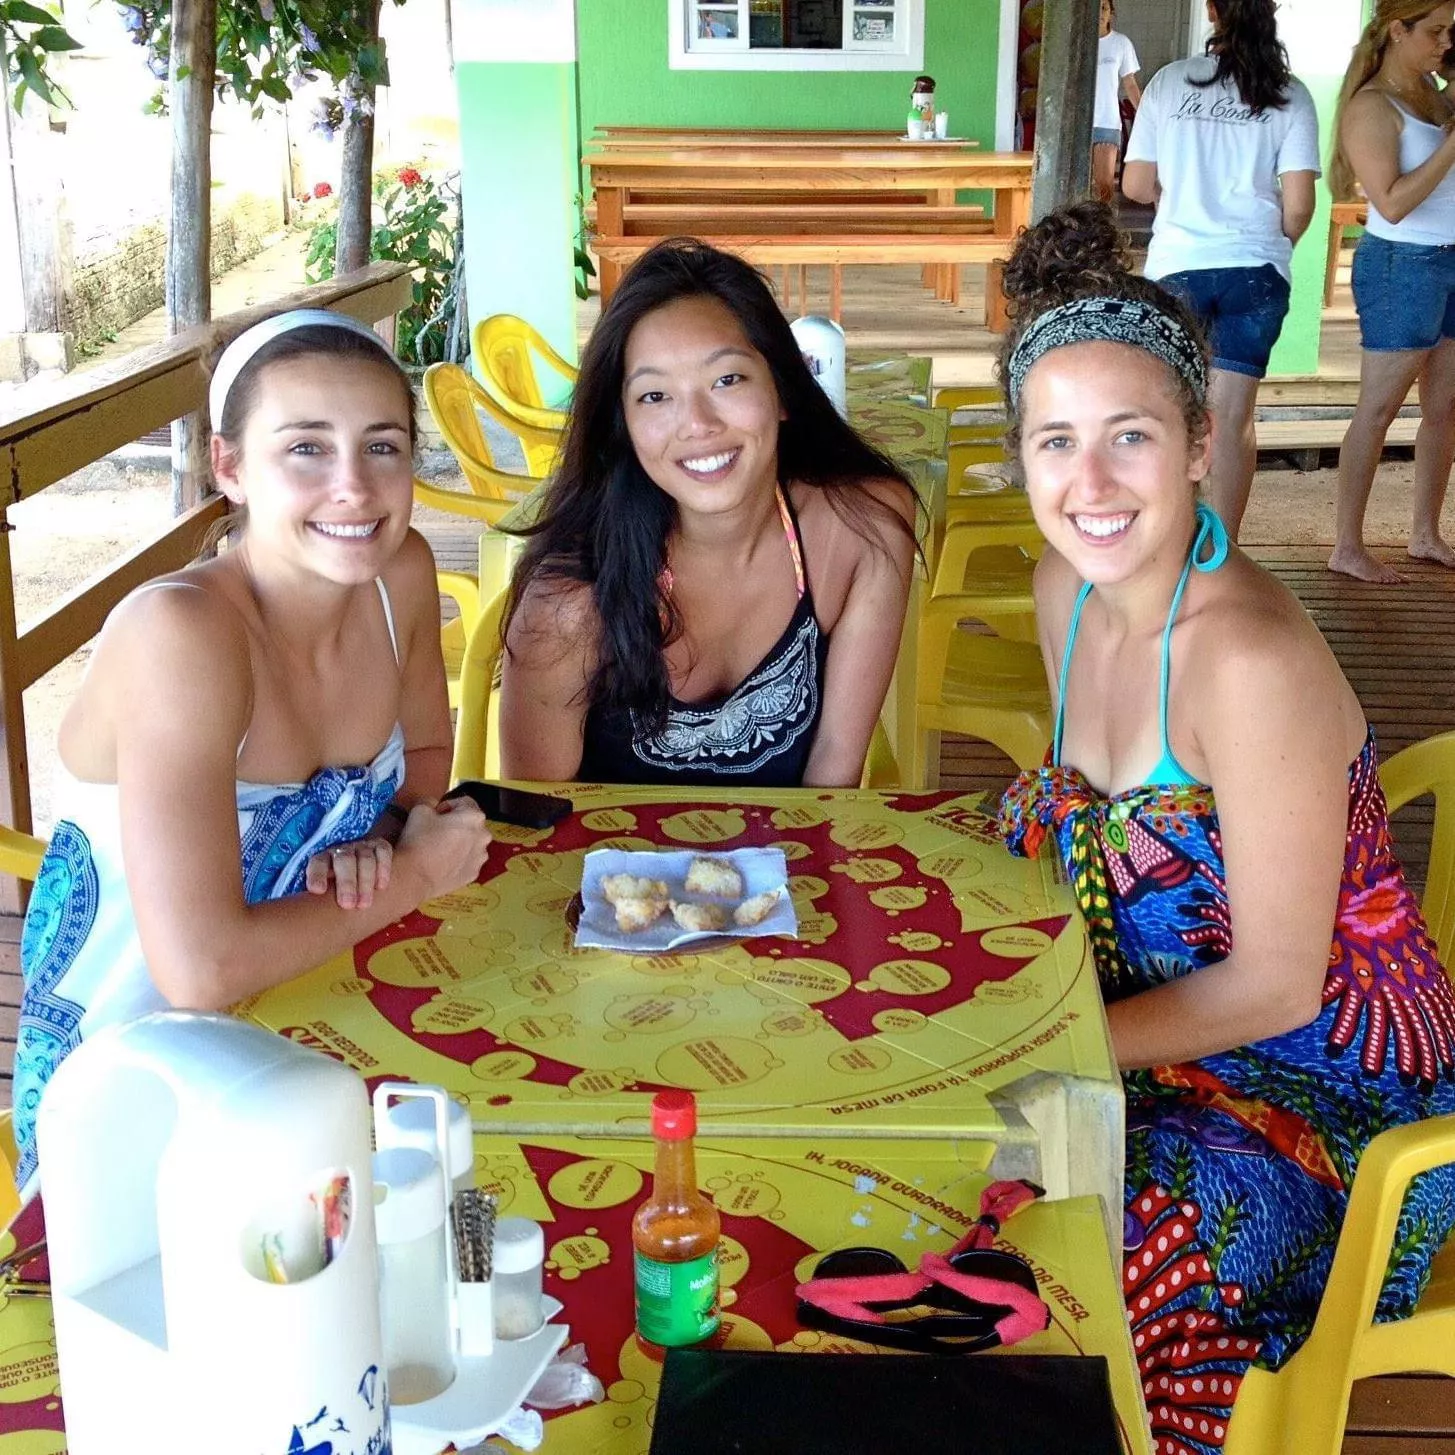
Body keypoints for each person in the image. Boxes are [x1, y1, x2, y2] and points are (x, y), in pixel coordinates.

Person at [994, 202, 1455, 1453]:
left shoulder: (1244, 657)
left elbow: (1274, 988)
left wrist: (1035, 1053)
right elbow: (1088, 837)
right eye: (1055, 443)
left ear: (1203, 446)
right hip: (1144, 1016)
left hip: (1315, 1091)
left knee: (1094, 1280)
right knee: (917, 1185)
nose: (1088, 485)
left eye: (1129, 437)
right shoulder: (1064, 590)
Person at [12, 309, 493, 1193]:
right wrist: (418, 875)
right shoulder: (183, 633)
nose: (354, 487)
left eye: (383, 447)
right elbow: (198, 969)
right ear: (228, 466)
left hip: (322, 1003)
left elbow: (424, 748)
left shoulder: (400, 573)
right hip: (142, 1077)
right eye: (305, 448)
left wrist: (383, 833)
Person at [498, 238, 918, 789]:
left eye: (727, 379)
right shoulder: (570, 604)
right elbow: (537, 827)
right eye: (654, 396)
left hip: (789, 869)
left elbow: (833, 781)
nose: (697, 423)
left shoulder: (864, 529)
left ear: (784, 390)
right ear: (622, 424)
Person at [1122, 0, 1320, 539]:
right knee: (1232, 422)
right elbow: (1300, 206)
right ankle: (1222, 555)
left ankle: (1168, 541)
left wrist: (1180, 202)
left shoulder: (1168, 83)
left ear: (1210, 8)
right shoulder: (1291, 93)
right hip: (1254, 270)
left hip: (1178, 267)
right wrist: (1272, 244)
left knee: (1173, 417)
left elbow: (1136, 186)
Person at [1329, 1, 1455, 583]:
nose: (1446, 41)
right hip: (1402, 264)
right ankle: (1347, 546)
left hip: (1450, 259)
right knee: (1378, 409)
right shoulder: (1372, 105)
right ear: (1397, 30)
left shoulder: (1438, 91)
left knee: (1445, 408)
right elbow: (1394, 203)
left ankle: (1425, 533)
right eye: (1436, 31)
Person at [1093, 0, 1141, 204]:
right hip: (1076, 123)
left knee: (1104, 185)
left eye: (1104, 7)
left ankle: (1102, 230)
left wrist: (1145, 114)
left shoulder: (1121, 43)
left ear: (1111, 12)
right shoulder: (1077, 42)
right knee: (1074, 184)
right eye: (1096, 7)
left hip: (1107, 121)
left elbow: (1130, 83)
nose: (1100, 13)